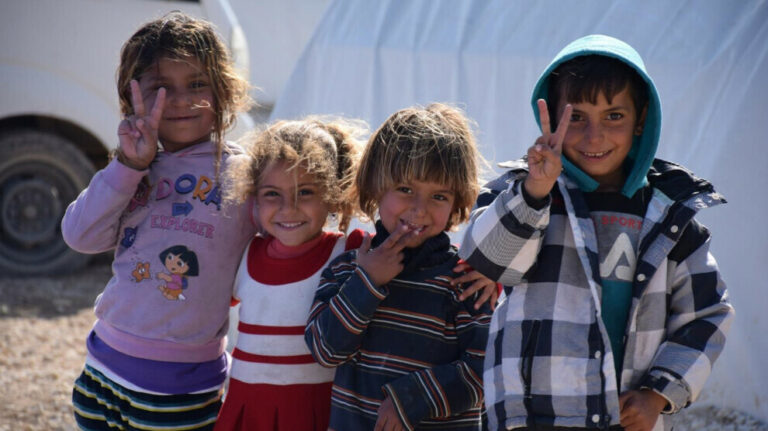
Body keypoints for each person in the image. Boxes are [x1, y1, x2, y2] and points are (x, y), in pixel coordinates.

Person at [459, 34, 734, 431]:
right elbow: (490, 261)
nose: (595, 136)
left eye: (614, 117)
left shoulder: (670, 214)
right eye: (576, 118)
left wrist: (659, 394)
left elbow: (708, 312)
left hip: (627, 417)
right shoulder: (525, 190)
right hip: (535, 415)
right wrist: (535, 190)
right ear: (549, 118)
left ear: (642, 120)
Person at [61, 12, 254, 430]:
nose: (181, 100)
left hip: (180, 389)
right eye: (161, 87)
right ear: (133, 99)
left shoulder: (246, 176)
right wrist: (130, 164)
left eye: (197, 84)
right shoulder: (133, 167)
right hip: (101, 368)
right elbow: (80, 236)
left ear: (224, 90)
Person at [305, 103, 493, 431]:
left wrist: (411, 398)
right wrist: (367, 282)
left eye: (439, 196)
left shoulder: (466, 281)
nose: (419, 209)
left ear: (457, 203)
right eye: (405, 189)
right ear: (377, 186)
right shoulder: (348, 270)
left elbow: (486, 369)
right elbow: (325, 350)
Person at [213, 118, 367, 430]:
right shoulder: (245, 254)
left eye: (306, 192)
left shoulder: (350, 252)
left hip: (314, 411)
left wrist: (478, 269)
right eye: (272, 194)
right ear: (254, 195)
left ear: (334, 194)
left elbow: (414, 262)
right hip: (247, 410)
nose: (288, 208)